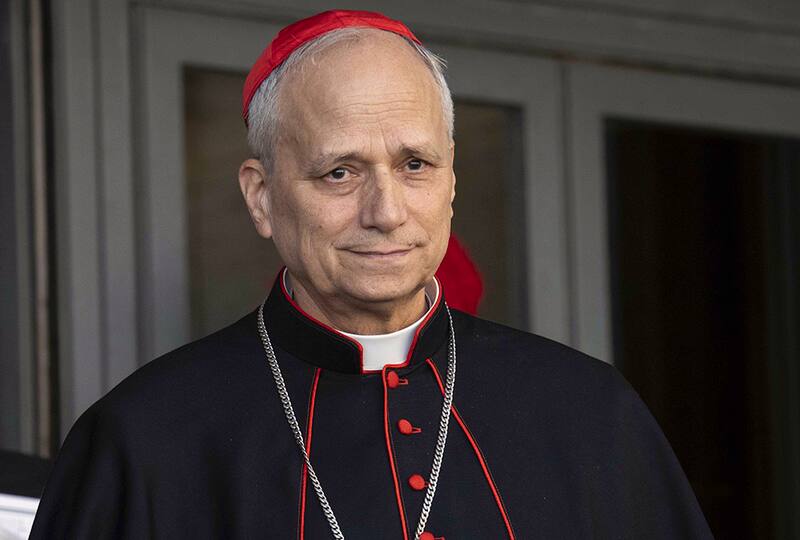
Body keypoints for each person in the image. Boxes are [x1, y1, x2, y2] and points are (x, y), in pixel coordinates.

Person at [29, 10, 713, 539]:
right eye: (340, 172)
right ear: (261, 197)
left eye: (415, 164)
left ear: (450, 182)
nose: (385, 212)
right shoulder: (144, 438)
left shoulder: (589, 412)